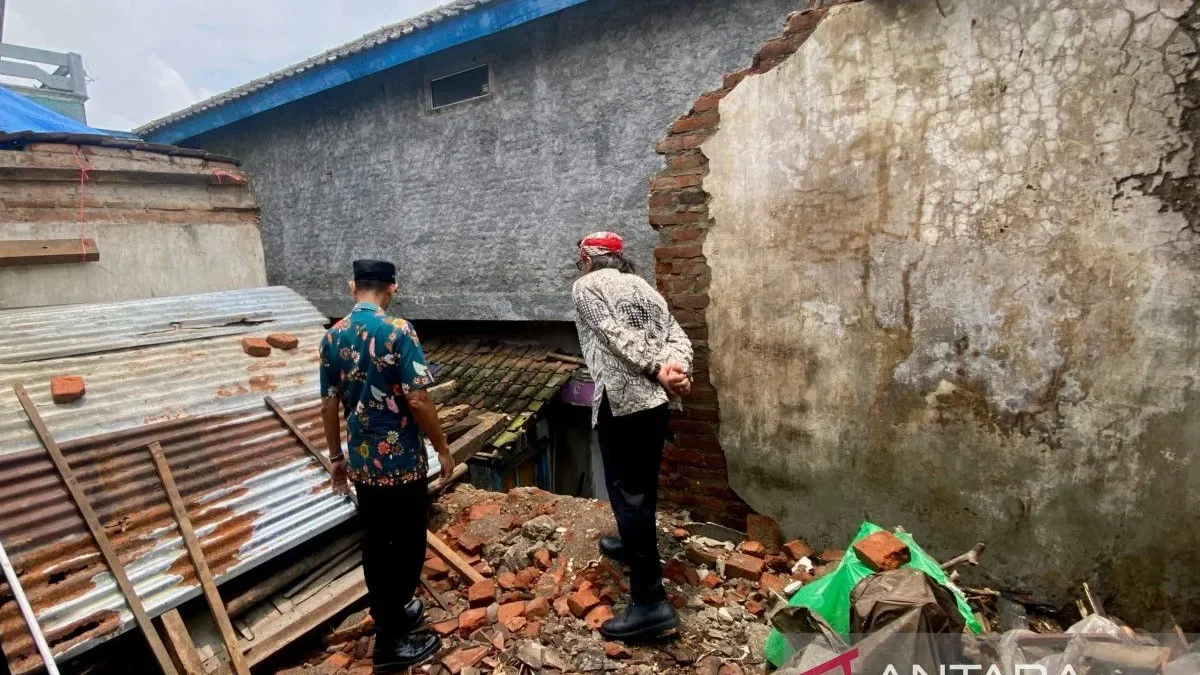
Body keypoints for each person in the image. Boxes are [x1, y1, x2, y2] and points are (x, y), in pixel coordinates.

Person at [319, 259, 454, 672]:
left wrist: (337, 458)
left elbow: (327, 404)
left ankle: (394, 613)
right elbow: (417, 398)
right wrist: (443, 449)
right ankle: (390, 645)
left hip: (362, 465)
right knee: (408, 546)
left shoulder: (332, 337)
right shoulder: (399, 331)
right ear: (392, 287)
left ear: (352, 286)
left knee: (377, 544)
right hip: (401, 464)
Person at [572, 231, 693, 642]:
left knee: (628, 494)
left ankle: (650, 603)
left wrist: (657, 369)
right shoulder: (644, 287)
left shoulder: (586, 287)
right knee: (642, 487)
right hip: (657, 405)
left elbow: (613, 336)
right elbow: (678, 335)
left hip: (622, 403)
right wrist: (678, 371)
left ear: (588, 259)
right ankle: (630, 543)